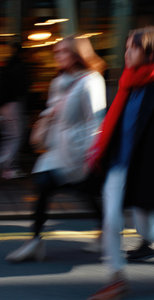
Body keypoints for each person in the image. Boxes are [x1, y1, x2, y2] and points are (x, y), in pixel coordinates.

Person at [5, 36, 107, 262]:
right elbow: (51, 110)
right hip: (56, 149)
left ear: (77, 54)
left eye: (63, 52)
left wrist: (92, 155)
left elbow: (96, 121)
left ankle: (105, 231)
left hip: (79, 150)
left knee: (86, 192)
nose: (58, 56)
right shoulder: (58, 81)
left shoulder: (91, 80)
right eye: (56, 52)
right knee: (43, 185)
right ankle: (35, 242)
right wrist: (47, 115)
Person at [87, 26, 154, 300]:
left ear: (148, 50)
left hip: (145, 169)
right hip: (119, 165)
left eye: (133, 47)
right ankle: (116, 279)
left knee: (145, 228)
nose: (127, 52)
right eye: (126, 47)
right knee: (111, 219)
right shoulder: (128, 82)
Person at [0, 42, 30, 179]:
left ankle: (7, 168)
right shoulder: (20, 67)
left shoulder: (6, 66)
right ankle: (2, 163)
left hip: (0, 105)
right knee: (16, 137)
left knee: (8, 137)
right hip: (12, 104)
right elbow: (23, 88)